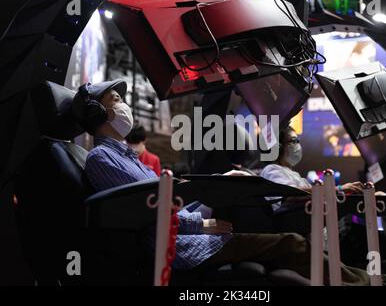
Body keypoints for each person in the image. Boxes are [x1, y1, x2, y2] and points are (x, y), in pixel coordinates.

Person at [71, 79, 369, 285]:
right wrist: (201, 224)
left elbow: (167, 200)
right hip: (183, 247)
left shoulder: (126, 158)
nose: (124, 105)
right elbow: (147, 209)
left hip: (186, 237)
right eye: (117, 100)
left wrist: (219, 185)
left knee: (287, 249)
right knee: (292, 243)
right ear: (98, 112)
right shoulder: (103, 159)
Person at [260, 126, 364, 211]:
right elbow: (291, 193)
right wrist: (339, 189)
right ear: (277, 148)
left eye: (298, 141)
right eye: (293, 141)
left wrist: (347, 192)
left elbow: (316, 194)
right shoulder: (271, 170)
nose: (298, 145)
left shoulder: (294, 175)